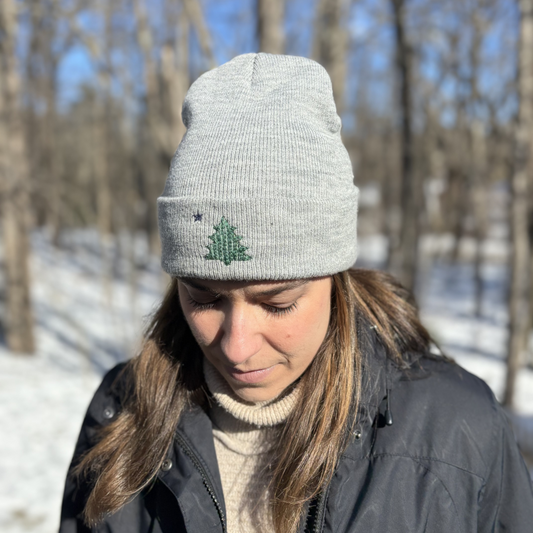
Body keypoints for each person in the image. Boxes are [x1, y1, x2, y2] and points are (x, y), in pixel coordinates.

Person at [59, 53, 533, 533]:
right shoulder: (121, 409)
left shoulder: (457, 429)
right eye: (203, 297)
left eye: (277, 303)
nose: (236, 345)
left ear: (333, 278)